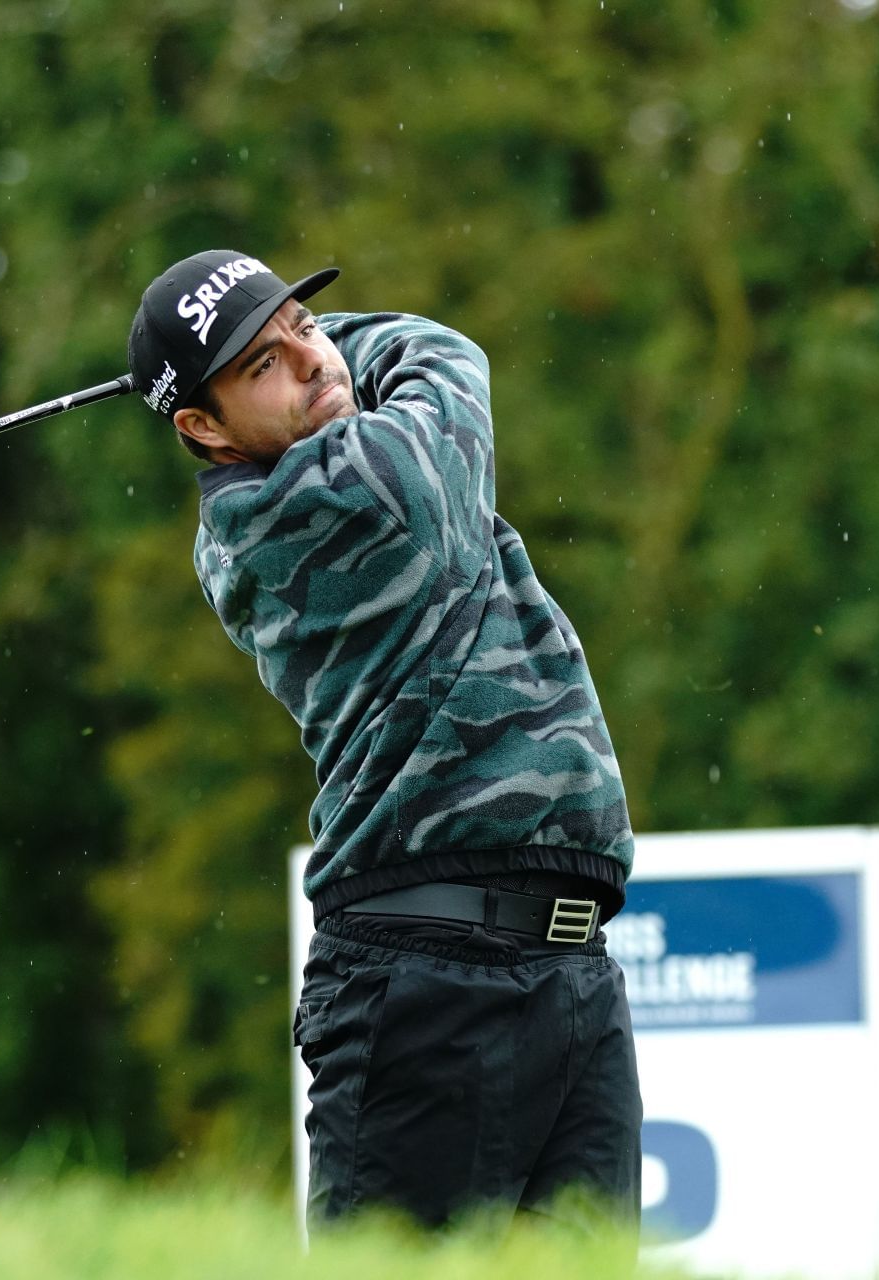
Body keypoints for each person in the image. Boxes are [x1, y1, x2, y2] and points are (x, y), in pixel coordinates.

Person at [128, 250, 641, 1234]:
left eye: (306, 328)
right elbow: (444, 353)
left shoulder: (325, 439)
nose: (314, 362)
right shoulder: (347, 498)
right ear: (201, 426)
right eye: (260, 366)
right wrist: (319, 347)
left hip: (570, 971)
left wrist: (269, 344)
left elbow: (355, 368)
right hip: (427, 979)